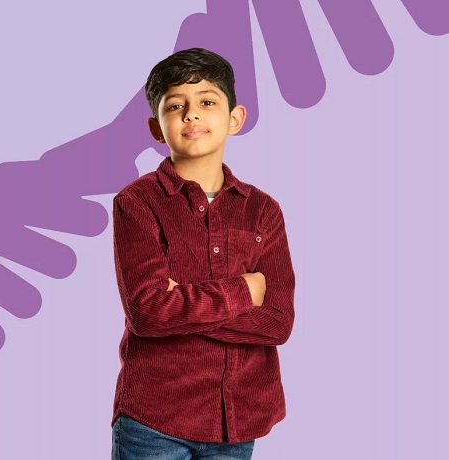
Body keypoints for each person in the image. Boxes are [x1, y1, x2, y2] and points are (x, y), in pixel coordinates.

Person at [111, 48, 295, 460]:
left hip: (238, 418)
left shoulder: (263, 210)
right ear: (157, 128)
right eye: (175, 106)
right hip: (154, 419)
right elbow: (148, 312)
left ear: (235, 118)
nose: (191, 115)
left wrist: (182, 305)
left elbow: (279, 323)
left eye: (207, 102)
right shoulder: (137, 203)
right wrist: (244, 290)